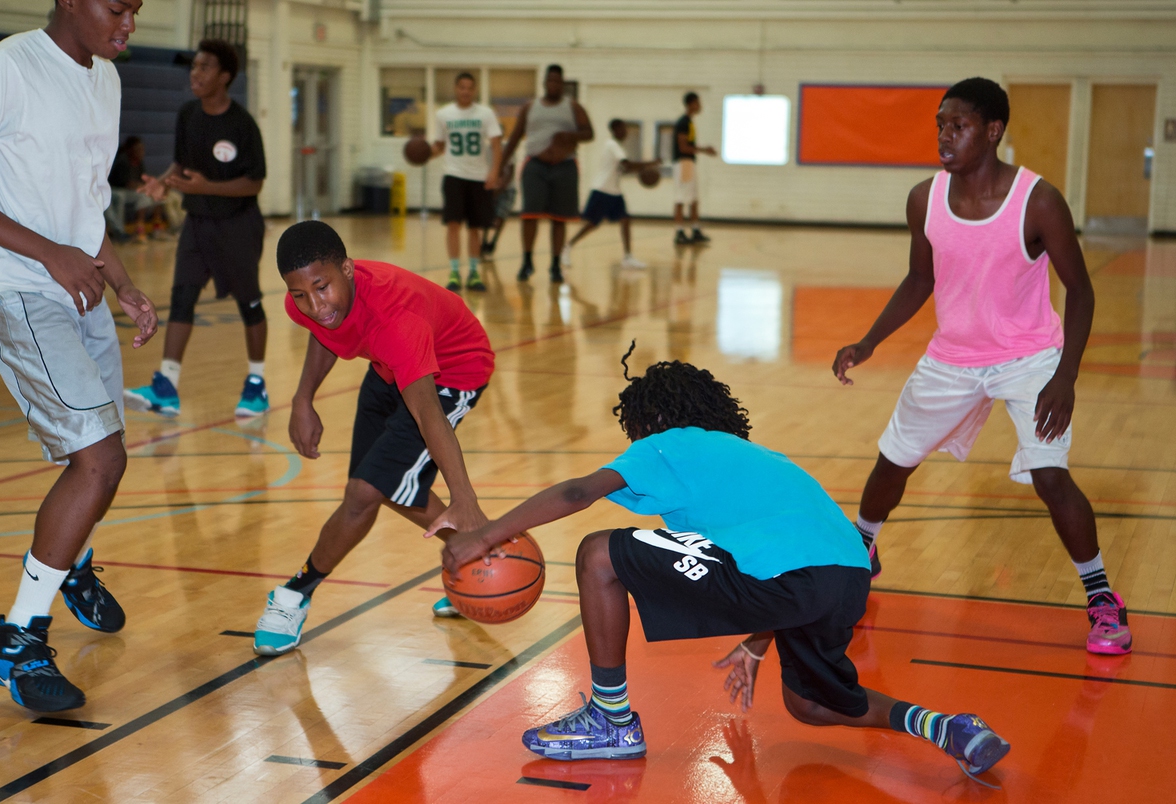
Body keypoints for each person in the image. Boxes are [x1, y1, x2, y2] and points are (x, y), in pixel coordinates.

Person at [437, 347, 1010, 784]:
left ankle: (611, 718)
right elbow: (803, 560)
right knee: (811, 703)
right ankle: (947, 727)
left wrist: (485, 535)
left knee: (599, 553)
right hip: (847, 577)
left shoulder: (670, 442)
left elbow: (577, 493)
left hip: (787, 578)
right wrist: (759, 642)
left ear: (653, 418)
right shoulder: (763, 459)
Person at [0, 0, 157, 712]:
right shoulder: (2, 68)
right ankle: (16, 637)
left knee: (93, 459)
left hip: (73, 287)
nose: (129, 24)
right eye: (118, 8)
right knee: (99, 458)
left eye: (137, 10)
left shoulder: (105, 80)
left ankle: (69, 560)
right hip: (11, 287)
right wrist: (50, 255)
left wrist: (122, 280)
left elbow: (82, 209)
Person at [832, 78, 1130, 655]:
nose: (944, 135)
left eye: (958, 125)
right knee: (893, 461)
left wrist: (1064, 376)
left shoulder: (1037, 200)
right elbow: (921, 278)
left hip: (1029, 357)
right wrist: (868, 341)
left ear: (993, 131)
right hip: (954, 357)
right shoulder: (924, 198)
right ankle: (861, 548)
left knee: (1050, 476)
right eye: (940, 124)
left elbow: (1082, 291)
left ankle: (1101, 598)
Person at [251, 220, 495, 655]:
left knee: (368, 488)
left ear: (347, 269)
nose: (313, 304)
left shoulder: (396, 318)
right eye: (299, 294)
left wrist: (465, 498)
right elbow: (325, 332)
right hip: (388, 368)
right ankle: (479, 557)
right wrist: (303, 398)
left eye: (321, 288)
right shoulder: (308, 302)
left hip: (451, 374)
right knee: (374, 488)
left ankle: (295, 593)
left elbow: (426, 411)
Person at [125, 39, 269, 419]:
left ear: (224, 77)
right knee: (182, 298)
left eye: (205, 67)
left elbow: (254, 183)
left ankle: (257, 385)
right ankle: (167, 386)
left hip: (238, 225)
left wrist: (209, 187)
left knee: (249, 304)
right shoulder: (188, 114)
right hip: (197, 224)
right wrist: (163, 182)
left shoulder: (242, 124)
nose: (196, 73)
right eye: (194, 67)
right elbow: (181, 166)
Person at [498, 65, 593, 284]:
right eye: (550, 81)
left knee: (559, 218)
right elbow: (514, 137)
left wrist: (569, 136)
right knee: (529, 215)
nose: (554, 85)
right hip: (536, 165)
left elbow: (589, 133)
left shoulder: (573, 107)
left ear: (563, 83)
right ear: (545, 83)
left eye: (558, 81)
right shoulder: (530, 107)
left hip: (565, 165)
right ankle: (527, 261)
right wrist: (500, 166)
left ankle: (555, 264)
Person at [430, 72, 502, 291]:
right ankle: (454, 273)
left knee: (475, 228)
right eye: (462, 87)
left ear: (475, 90)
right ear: (455, 89)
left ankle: (473, 273)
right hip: (453, 175)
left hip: (478, 177)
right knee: (453, 225)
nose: (466, 91)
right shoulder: (443, 114)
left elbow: (497, 144)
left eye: (470, 88)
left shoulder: (485, 113)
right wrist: (422, 154)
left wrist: (494, 172)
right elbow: (439, 146)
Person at [565, 119, 658, 269]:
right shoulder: (612, 145)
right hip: (602, 189)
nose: (626, 132)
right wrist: (649, 164)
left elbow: (626, 169)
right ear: (615, 130)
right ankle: (567, 247)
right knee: (591, 224)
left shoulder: (618, 147)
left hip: (614, 191)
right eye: (623, 129)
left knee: (626, 220)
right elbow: (626, 165)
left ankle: (628, 257)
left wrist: (642, 170)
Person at [673, 91, 715, 245]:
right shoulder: (683, 122)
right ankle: (679, 232)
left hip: (689, 163)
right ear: (691, 104)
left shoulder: (689, 122)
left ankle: (695, 230)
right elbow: (683, 147)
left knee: (694, 199)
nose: (700, 105)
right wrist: (704, 150)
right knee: (681, 198)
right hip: (684, 163)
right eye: (698, 102)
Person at [106, 135, 164, 242]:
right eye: (139, 149)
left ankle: (155, 229)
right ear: (131, 150)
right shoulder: (123, 161)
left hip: (130, 192)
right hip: (117, 190)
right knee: (138, 197)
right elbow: (128, 184)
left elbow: (141, 180)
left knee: (155, 196)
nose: (142, 151)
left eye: (142, 149)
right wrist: (145, 188)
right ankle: (131, 231)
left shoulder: (139, 162)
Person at [480, 160, 516, 259]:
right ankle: (484, 241)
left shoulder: (508, 149)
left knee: (501, 216)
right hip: (491, 187)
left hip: (507, 189)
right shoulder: (488, 148)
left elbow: (511, 170)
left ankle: (493, 241)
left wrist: (501, 186)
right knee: (487, 215)